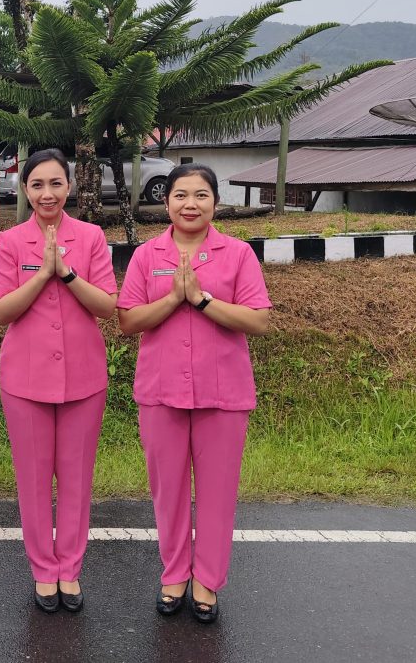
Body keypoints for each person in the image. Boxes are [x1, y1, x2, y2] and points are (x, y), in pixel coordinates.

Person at [117, 164, 271, 625]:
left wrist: (202, 299)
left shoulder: (238, 253)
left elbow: (259, 320)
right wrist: (173, 299)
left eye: (201, 195)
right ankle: (174, 576)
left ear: (215, 203)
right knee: (168, 492)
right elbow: (127, 320)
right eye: (180, 195)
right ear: (166, 204)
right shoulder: (148, 255)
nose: (190, 204)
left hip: (223, 394)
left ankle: (207, 581)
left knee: (218, 493)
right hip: (161, 391)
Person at [0, 148, 117, 614]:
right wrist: (42, 274)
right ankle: (44, 570)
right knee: (34, 479)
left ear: (70, 187)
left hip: (84, 379)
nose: (47, 193)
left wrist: (65, 272)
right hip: (24, 380)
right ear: (25, 189)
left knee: (77, 480)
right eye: (37, 185)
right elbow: (1, 311)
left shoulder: (90, 238)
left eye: (56, 184)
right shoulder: (10, 242)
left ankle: (71, 569)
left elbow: (107, 305)